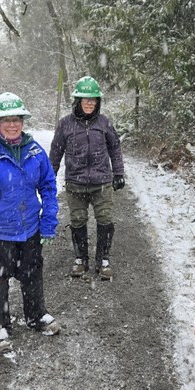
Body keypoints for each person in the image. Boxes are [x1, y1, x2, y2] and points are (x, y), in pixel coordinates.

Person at [0, 92, 60, 353]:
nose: (12, 124)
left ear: (22, 121)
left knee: (32, 273)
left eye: (16, 119)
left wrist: (48, 220)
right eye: (6, 119)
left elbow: (49, 187)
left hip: (29, 227)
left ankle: (36, 315)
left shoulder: (36, 151)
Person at [49, 76, 125, 280]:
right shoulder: (65, 124)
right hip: (75, 183)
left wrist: (118, 173)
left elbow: (115, 147)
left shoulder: (104, 122)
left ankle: (103, 259)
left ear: (98, 102)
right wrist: (49, 177)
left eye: (93, 99)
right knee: (77, 220)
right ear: (78, 101)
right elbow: (56, 152)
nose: (90, 103)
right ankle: (81, 258)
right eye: (86, 99)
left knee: (105, 219)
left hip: (102, 182)